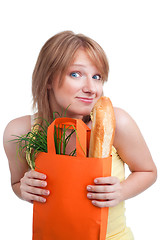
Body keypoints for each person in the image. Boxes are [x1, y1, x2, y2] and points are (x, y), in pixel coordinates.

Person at [3, 30, 157, 239]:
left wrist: (122, 191)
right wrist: (24, 189)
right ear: (48, 78)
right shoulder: (20, 131)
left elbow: (148, 171)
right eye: (76, 74)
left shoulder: (115, 123)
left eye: (97, 77)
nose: (92, 88)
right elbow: (16, 184)